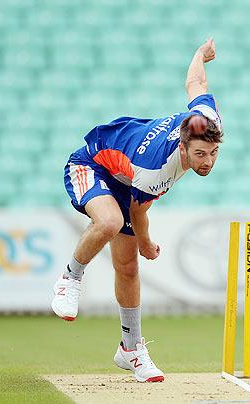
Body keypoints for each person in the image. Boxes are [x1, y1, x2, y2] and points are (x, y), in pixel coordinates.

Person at [51, 38, 222, 382]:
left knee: (127, 267)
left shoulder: (206, 119)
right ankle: (69, 279)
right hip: (92, 164)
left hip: (126, 177)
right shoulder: (159, 167)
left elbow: (196, 83)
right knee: (112, 222)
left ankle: (131, 348)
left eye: (214, 153)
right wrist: (145, 242)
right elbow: (139, 212)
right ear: (182, 146)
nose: (208, 162)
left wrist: (199, 55)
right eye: (200, 155)